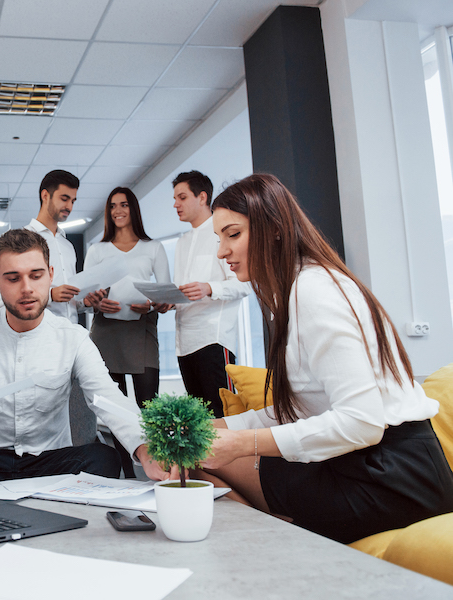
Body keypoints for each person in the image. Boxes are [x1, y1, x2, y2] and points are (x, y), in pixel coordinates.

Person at [192, 173, 453, 544]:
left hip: (392, 478)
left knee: (200, 464)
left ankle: (265, 545)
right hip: (364, 463)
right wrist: (214, 429)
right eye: (219, 239)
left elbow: (362, 423)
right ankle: (274, 540)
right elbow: (295, 407)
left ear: (276, 229)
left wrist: (241, 443)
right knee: (195, 453)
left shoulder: (314, 292)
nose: (221, 252)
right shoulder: (292, 292)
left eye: (233, 235)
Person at [0, 229, 170, 484]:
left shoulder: (74, 337)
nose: (27, 289)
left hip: (50, 461)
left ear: (51, 275)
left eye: (36, 276)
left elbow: (107, 397)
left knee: (104, 459)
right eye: (13, 279)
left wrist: (146, 447)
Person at [171, 170, 251, 416]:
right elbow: (183, 289)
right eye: (175, 198)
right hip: (184, 345)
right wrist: (168, 301)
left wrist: (209, 287)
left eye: (182, 197)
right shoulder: (182, 241)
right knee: (200, 422)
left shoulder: (221, 234)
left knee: (222, 416)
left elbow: (243, 285)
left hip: (213, 341)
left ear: (202, 197)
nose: (176, 204)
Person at [84, 187, 171, 408]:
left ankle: (149, 445)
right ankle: (123, 446)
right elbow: (86, 296)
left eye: (123, 204)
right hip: (106, 333)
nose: (117, 210)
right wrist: (98, 303)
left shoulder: (153, 248)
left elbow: (166, 295)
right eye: (112, 206)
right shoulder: (97, 250)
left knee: (149, 407)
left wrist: (151, 305)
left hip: (142, 330)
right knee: (115, 410)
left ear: (133, 208)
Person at [24, 169, 83, 323]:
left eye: (73, 201)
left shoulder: (67, 246)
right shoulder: (22, 240)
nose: (69, 206)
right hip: (40, 334)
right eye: (64, 198)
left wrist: (84, 303)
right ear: (45, 196)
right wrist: (50, 295)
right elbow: (3, 296)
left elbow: (70, 302)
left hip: (71, 333)